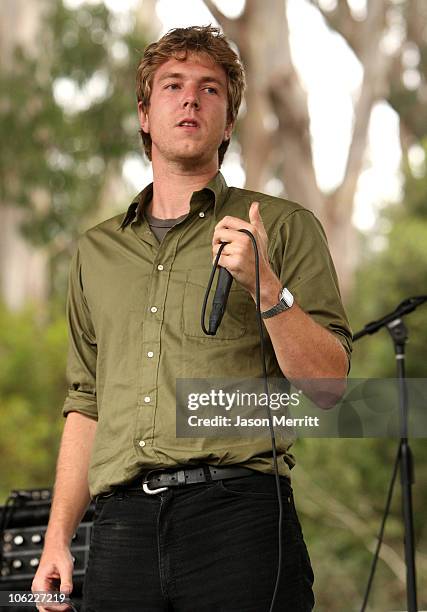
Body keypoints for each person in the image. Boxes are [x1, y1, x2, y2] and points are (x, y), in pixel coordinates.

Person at [32, 25, 352, 612]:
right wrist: (57, 538)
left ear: (227, 122)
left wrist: (267, 287)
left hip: (239, 520)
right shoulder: (96, 252)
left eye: (209, 89)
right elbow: (86, 402)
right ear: (145, 113)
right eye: (173, 85)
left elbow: (330, 387)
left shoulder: (281, 226)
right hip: (119, 529)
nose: (190, 98)